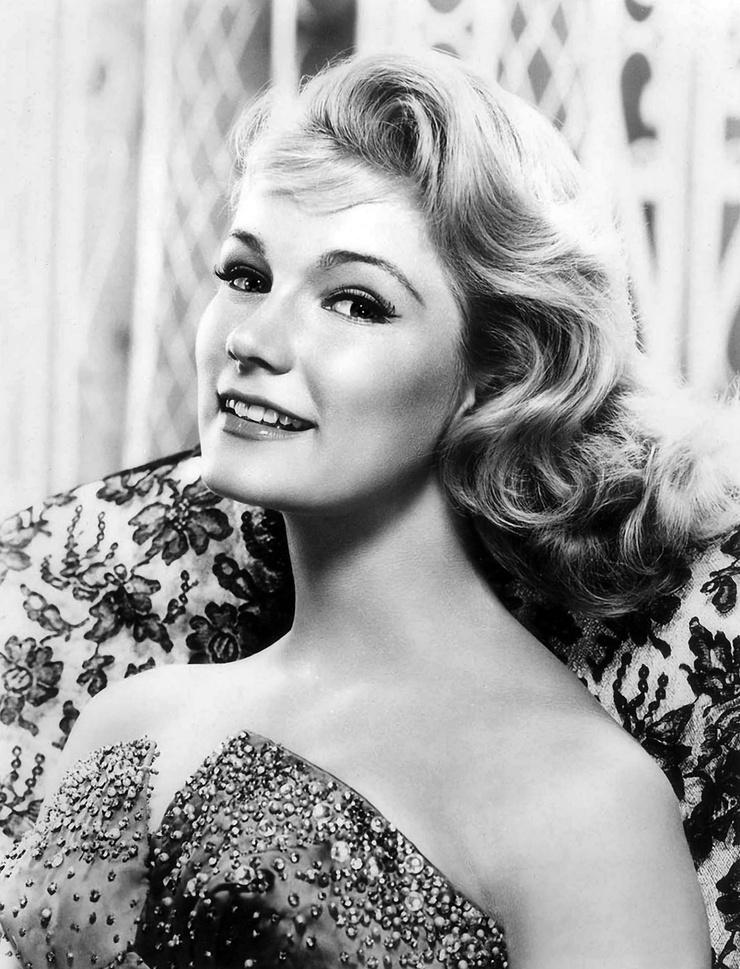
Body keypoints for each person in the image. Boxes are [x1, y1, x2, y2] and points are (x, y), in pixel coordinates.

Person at [1, 49, 733, 969]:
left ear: (496, 373)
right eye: (246, 274)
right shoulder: (126, 724)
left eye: (354, 301)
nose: (254, 338)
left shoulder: (578, 801)